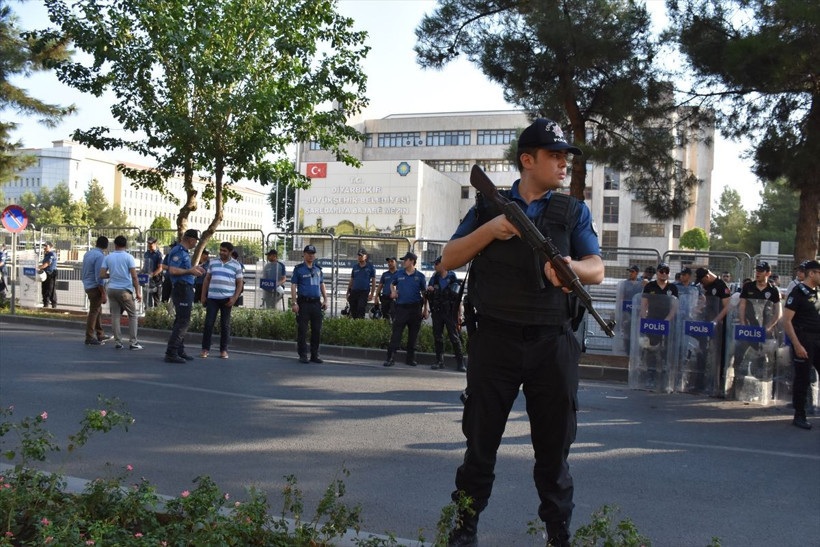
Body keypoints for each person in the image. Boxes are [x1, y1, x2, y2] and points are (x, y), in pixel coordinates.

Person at [443, 118, 604, 547]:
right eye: (555, 156)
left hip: (553, 343)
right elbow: (448, 259)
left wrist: (571, 269)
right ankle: (464, 530)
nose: (564, 164)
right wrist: (490, 230)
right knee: (480, 447)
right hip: (494, 340)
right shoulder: (486, 208)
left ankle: (558, 534)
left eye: (566, 157)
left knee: (554, 453)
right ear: (527, 160)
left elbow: (598, 269)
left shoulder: (573, 211)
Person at [782, 259, 820, 430]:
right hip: (803, 339)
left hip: (818, 339)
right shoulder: (798, 292)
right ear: (811, 273)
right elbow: (787, 321)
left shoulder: (817, 291)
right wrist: (797, 345)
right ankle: (799, 415)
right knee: (803, 378)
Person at [731, 261, 781, 383]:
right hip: (749, 328)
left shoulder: (773, 290)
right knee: (739, 355)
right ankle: (736, 382)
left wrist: (769, 327)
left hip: (765, 330)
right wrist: (743, 323)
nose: (757, 273)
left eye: (761, 271)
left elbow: (778, 312)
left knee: (770, 358)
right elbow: (742, 306)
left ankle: (768, 385)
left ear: (768, 273)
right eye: (756, 270)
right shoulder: (748, 287)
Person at [164, 229, 205, 363]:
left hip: (185, 288)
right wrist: (190, 271)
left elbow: (182, 269)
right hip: (181, 288)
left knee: (181, 320)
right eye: (195, 241)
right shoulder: (178, 251)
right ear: (191, 240)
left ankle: (179, 350)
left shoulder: (183, 252)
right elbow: (173, 270)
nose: (195, 244)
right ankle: (172, 351)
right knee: (183, 321)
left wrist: (194, 269)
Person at [382, 251, 427, 367]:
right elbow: (392, 284)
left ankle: (410, 359)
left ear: (412, 261)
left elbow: (424, 294)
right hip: (401, 308)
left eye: (405, 260)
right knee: (396, 333)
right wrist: (393, 292)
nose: (403, 262)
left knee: (413, 334)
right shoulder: (399, 274)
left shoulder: (420, 277)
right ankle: (390, 358)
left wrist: (425, 309)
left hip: (415, 308)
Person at [200, 242, 244, 359]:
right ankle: (205, 349)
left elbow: (239, 283)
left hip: (227, 299)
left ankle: (223, 350)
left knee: (225, 325)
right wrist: (203, 296)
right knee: (209, 324)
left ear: (230, 252)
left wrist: (234, 297)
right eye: (221, 250)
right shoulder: (213, 263)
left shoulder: (236, 265)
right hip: (213, 298)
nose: (221, 252)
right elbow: (206, 280)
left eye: (224, 251)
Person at [100, 235, 143, 350]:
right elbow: (134, 277)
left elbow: (102, 274)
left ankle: (118, 342)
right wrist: (138, 292)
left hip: (112, 289)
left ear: (115, 245)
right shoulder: (129, 257)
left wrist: (112, 275)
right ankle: (133, 342)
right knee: (133, 315)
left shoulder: (108, 257)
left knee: (115, 316)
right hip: (125, 290)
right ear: (126, 245)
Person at [639, 262, 679, 388]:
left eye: (666, 271)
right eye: (661, 271)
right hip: (652, 321)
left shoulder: (672, 288)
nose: (664, 274)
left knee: (666, 350)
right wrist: (644, 319)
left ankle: (665, 377)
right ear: (657, 273)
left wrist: (668, 319)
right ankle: (650, 376)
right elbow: (643, 304)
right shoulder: (650, 286)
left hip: (666, 321)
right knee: (651, 349)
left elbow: (675, 307)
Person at [426, 256, 464, 371]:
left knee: (454, 337)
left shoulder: (452, 277)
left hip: (449, 313)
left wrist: (460, 314)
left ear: (442, 265)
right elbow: (428, 292)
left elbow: (458, 298)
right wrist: (430, 289)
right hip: (437, 312)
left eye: (436, 264)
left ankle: (460, 363)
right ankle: (439, 361)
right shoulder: (434, 277)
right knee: (438, 337)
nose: (434, 266)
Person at [291, 244, 327, 364]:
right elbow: (293, 285)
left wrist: (325, 300)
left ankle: (314, 355)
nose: (311, 256)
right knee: (303, 330)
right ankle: (303, 355)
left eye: (313, 254)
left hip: (316, 303)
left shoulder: (318, 269)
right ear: (304, 254)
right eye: (308, 253)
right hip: (303, 303)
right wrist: (294, 302)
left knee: (317, 330)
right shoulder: (299, 269)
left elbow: (322, 284)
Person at [81, 236, 110, 345]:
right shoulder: (100, 256)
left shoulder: (88, 253)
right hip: (95, 286)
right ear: (106, 246)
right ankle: (89, 336)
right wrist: (103, 293)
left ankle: (100, 334)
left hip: (88, 284)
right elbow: (99, 277)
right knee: (94, 311)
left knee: (97, 310)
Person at [617, 265, 643, 354]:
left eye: (632, 272)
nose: (630, 273)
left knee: (637, 330)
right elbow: (622, 297)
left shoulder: (641, 283)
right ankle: (627, 349)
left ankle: (637, 350)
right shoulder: (625, 283)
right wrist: (620, 309)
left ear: (637, 273)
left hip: (637, 310)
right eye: (629, 272)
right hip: (627, 310)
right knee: (627, 330)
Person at [346, 248, 376, 319]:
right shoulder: (355, 267)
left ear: (365, 257)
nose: (359, 257)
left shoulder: (370, 267)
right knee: (353, 308)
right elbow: (352, 280)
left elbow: (373, 281)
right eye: (358, 255)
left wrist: (372, 294)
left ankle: (360, 323)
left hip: (364, 292)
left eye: (361, 255)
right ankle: (355, 322)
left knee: (361, 307)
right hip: (354, 291)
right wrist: (347, 292)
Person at [374, 257, 398, 322]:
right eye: (388, 262)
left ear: (396, 262)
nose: (390, 263)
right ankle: (386, 329)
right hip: (385, 298)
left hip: (395, 299)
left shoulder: (400, 274)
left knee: (394, 314)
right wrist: (376, 296)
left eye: (392, 261)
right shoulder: (385, 274)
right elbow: (380, 286)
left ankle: (394, 329)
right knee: (385, 315)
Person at [142, 237, 164, 308]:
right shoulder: (146, 254)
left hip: (156, 280)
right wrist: (141, 272)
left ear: (155, 243)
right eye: (148, 243)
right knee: (147, 301)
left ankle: (156, 316)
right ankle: (148, 314)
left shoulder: (158, 254)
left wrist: (152, 275)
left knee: (157, 301)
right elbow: (145, 266)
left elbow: (160, 268)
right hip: (147, 280)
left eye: (151, 243)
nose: (149, 245)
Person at [38, 241, 58, 308]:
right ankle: (45, 304)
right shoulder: (47, 254)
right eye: (44, 246)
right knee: (44, 289)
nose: (44, 247)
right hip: (45, 274)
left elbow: (48, 263)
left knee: (51, 289)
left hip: (51, 274)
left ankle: (53, 305)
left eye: (46, 246)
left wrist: (39, 267)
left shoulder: (52, 254)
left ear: (50, 247)